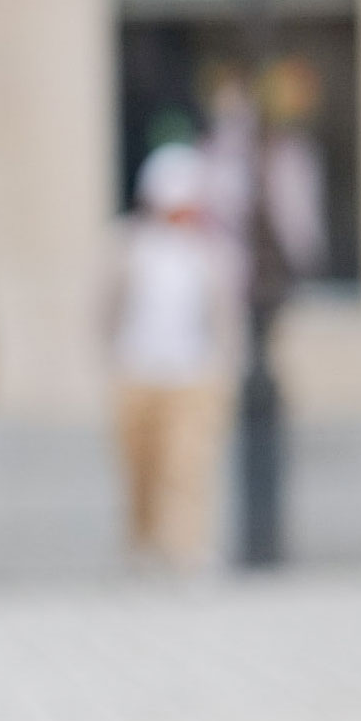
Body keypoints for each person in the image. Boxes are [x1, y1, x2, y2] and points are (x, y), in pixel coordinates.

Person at [106, 144, 240, 570]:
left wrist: (222, 367)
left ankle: (186, 548)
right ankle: (143, 546)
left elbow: (224, 316)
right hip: (138, 370)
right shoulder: (130, 246)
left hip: (192, 372)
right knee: (141, 468)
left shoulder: (210, 252)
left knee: (187, 466)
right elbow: (107, 310)